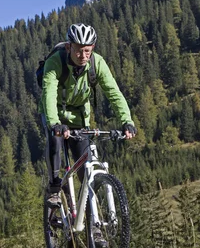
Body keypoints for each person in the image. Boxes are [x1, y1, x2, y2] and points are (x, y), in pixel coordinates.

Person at [40, 23, 136, 208]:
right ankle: (54, 188)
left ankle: (94, 227)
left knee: (86, 171)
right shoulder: (55, 62)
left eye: (87, 51)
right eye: (78, 51)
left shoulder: (96, 63)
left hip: (79, 118)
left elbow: (114, 93)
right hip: (55, 114)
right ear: (69, 47)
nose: (83, 56)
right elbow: (49, 93)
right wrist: (54, 123)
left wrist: (126, 121)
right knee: (55, 141)